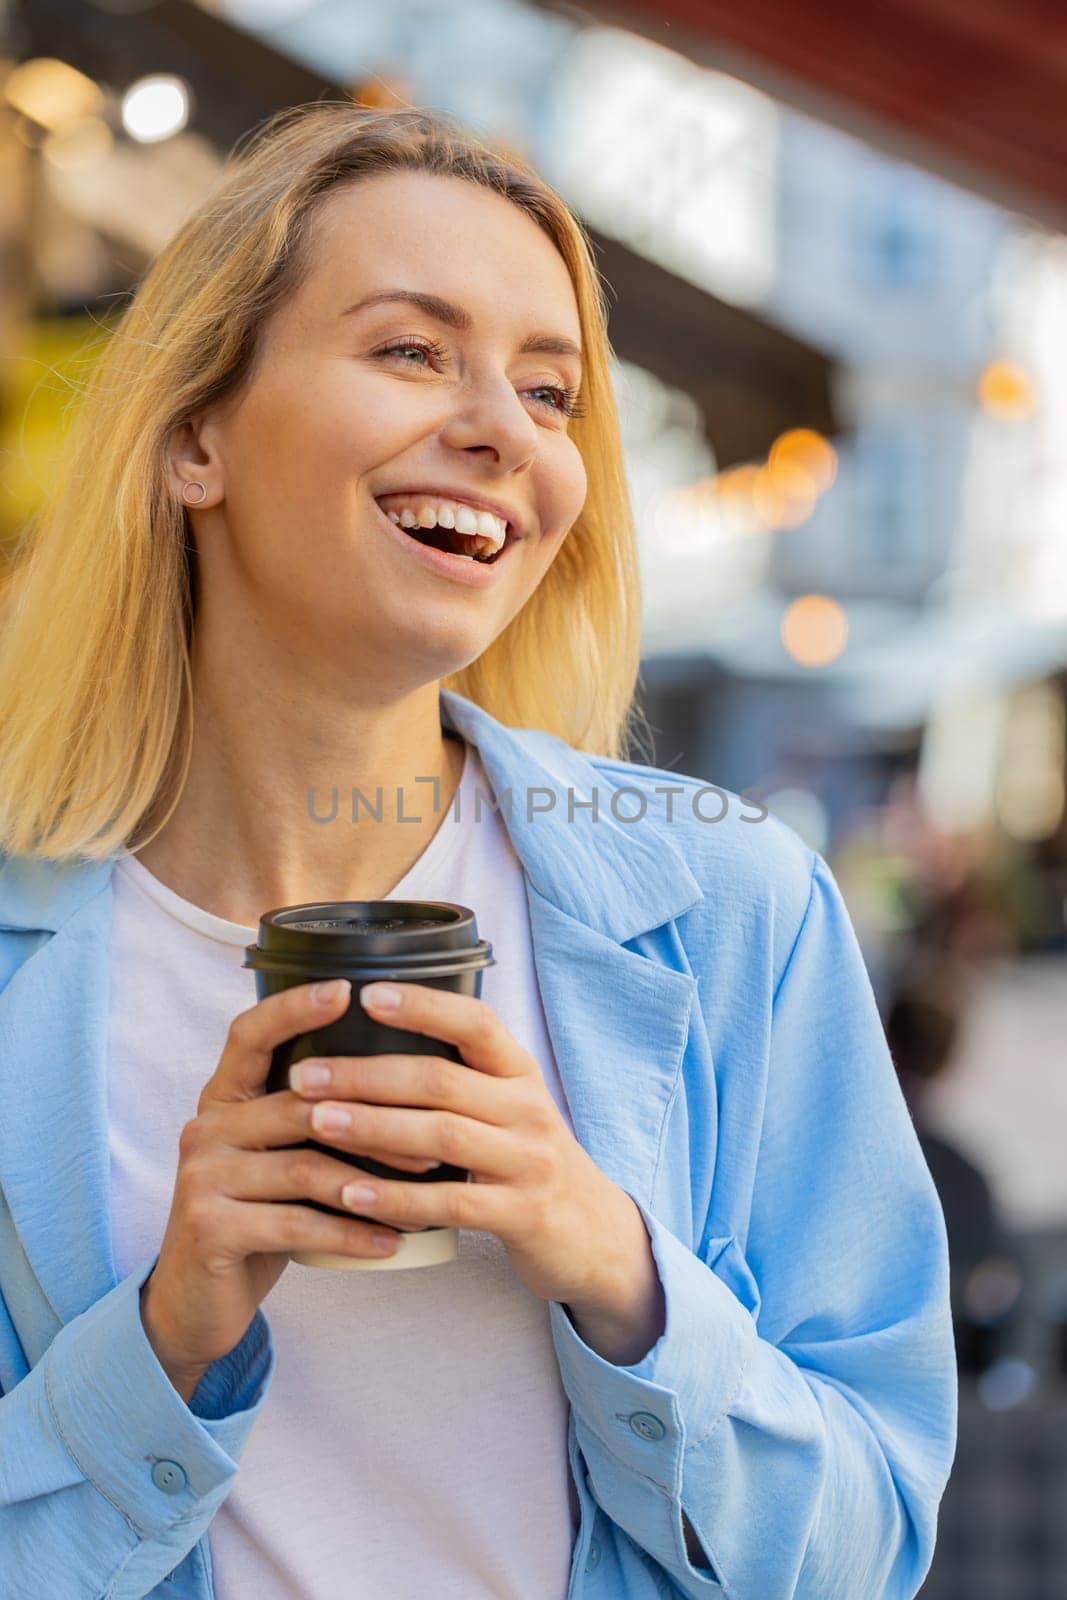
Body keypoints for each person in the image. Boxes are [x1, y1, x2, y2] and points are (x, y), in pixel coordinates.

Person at [0, 102, 956, 1600]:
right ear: (195, 437)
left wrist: (618, 1268)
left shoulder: (731, 910)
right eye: (408, 350)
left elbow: (872, 1542)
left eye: (551, 389)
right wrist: (166, 1336)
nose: (505, 432)